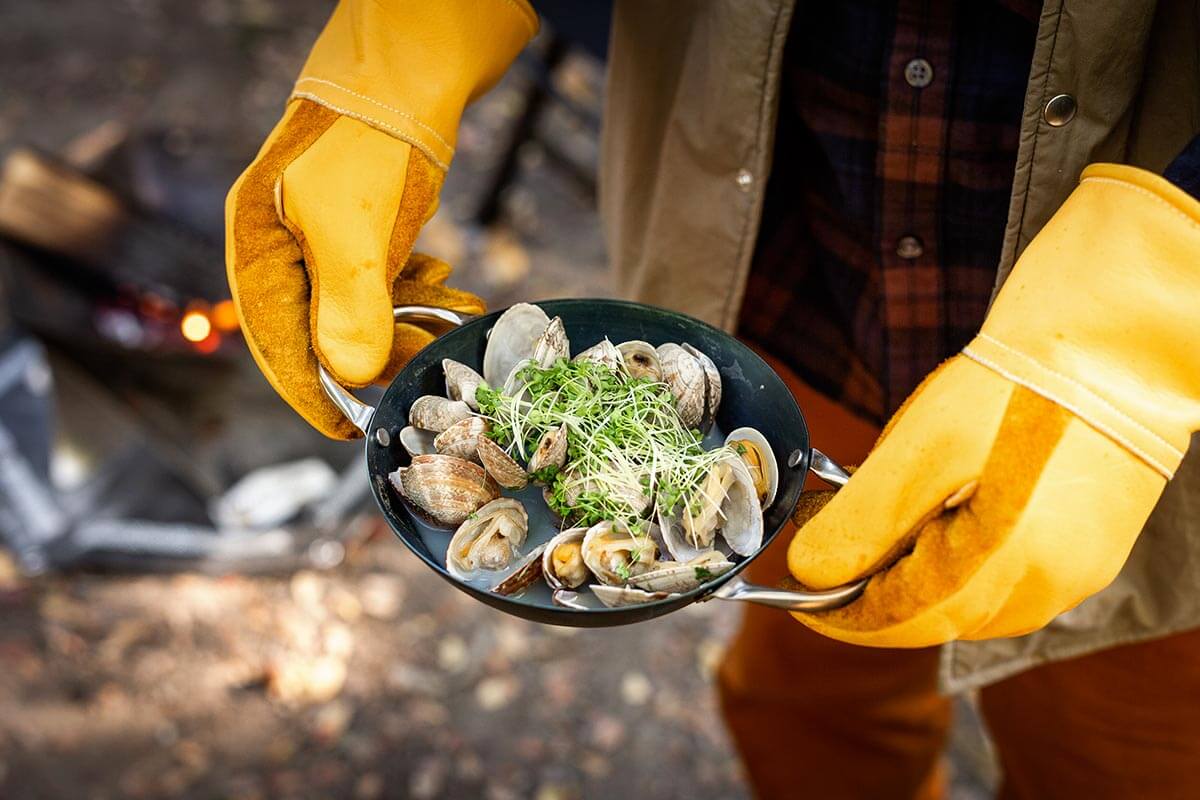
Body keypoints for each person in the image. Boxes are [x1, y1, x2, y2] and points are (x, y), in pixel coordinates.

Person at [225, 2, 1200, 797]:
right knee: (807, 701)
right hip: (799, 287)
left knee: (1126, 753)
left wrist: (1163, 295)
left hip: (1136, 425)